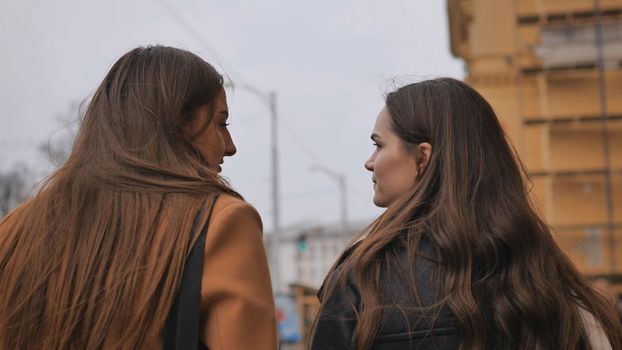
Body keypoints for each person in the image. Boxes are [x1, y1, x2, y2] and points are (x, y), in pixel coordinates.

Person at [310, 78, 622, 349]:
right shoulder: (547, 280)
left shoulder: (365, 278)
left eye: (379, 145)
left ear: (423, 158)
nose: (370, 162)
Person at [0, 46, 277, 349]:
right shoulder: (220, 223)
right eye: (221, 124)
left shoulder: (14, 233)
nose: (230, 145)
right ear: (178, 124)